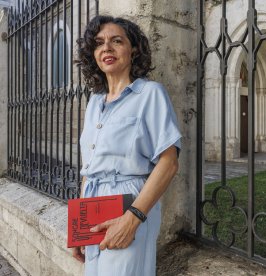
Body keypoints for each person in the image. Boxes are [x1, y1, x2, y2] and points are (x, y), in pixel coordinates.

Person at [72, 15, 182, 276]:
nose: (106, 48)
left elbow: (168, 162)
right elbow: (90, 168)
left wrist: (133, 217)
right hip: (93, 206)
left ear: (133, 49)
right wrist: (78, 227)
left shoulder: (150, 94)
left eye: (116, 41)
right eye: (99, 43)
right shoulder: (95, 103)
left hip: (129, 202)